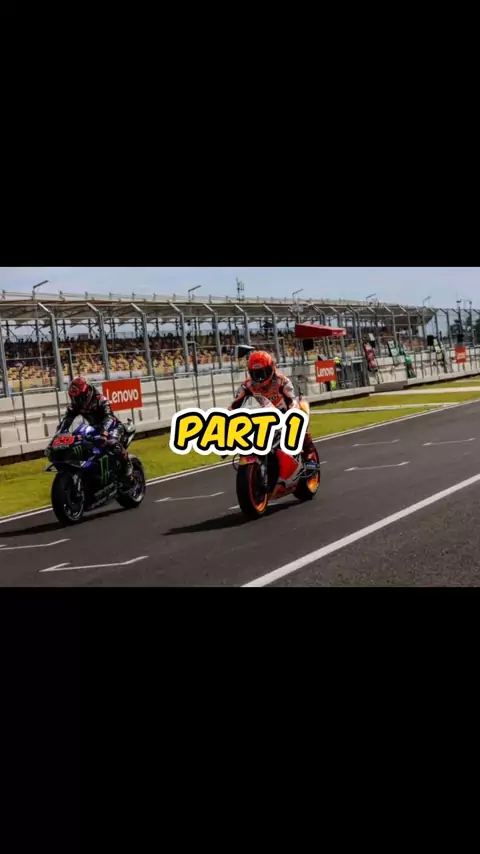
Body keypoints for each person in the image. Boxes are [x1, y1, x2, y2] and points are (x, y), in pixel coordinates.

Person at [228, 350, 316, 459]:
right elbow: (233, 406)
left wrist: (289, 416)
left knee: (298, 416)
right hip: (268, 415)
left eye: (264, 373)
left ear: (271, 368)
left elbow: (291, 402)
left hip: (286, 411)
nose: (260, 378)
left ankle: (309, 449)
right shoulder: (247, 385)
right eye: (256, 374)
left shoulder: (282, 381)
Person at [57, 377, 133, 482]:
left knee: (112, 444)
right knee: (83, 444)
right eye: (74, 398)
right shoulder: (75, 405)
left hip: (113, 426)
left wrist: (104, 433)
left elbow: (109, 417)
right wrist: (60, 433)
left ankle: (127, 466)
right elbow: (67, 420)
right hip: (94, 428)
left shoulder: (101, 400)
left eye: (79, 397)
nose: (77, 400)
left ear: (87, 393)